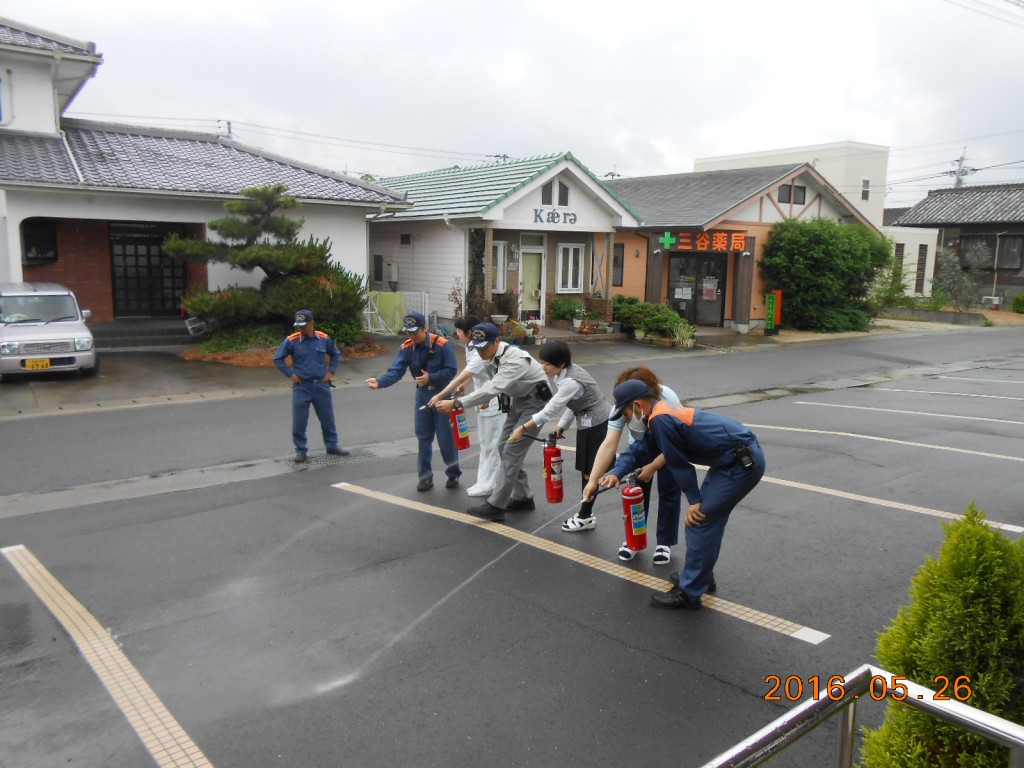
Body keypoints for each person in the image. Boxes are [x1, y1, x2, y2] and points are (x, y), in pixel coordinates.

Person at [597, 379, 766, 610]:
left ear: (637, 405)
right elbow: (641, 448)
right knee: (707, 522)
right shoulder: (658, 414)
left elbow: (679, 464)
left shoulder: (661, 419)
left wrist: (694, 502)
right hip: (730, 459)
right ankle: (699, 578)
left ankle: (689, 593)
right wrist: (616, 472)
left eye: (625, 412)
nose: (625, 418)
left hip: (740, 464)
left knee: (699, 522)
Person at [435, 322, 552, 522]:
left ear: (497, 341)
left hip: (535, 404)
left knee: (512, 451)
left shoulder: (513, 359)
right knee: (502, 447)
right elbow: (493, 384)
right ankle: (523, 497)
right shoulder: (489, 355)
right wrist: (487, 397)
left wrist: (456, 404)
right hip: (517, 399)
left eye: (484, 346)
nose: (481, 351)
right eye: (477, 347)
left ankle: (496, 505)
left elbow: (492, 387)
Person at [579, 366, 683, 566]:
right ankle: (635, 540)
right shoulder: (620, 406)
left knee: (669, 492)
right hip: (640, 448)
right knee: (636, 495)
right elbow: (609, 444)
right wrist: (593, 481)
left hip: (669, 449)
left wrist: (654, 466)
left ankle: (664, 543)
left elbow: (678, 443)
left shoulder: (667, 400)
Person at [507, 340, 610, 526]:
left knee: (589, 472)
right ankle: (585, 514)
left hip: (595, 421)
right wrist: (562, 425)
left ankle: (585, 517)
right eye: (542, 362)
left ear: (561, 364)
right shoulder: (564, 374)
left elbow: (550, 410)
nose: (542, 367)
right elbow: (574, 403)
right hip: (586, 420)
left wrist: (522, 428)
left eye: (547, 363)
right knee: (587, 470)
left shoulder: (571, 380)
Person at [365, 311, 461, 492]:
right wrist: (379, 382)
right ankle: (425, 478)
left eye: (415, 331)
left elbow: (451, 371)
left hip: (443, 396)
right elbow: (396, 371)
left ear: (425, 328)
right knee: (423, 438)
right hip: (423, 396)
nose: (412, 335)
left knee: (446, 438)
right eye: (409, 332)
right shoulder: (407, 347)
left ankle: (453, 473)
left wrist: (430, 378)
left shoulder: (442, 345)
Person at [426, 315, 502, 497]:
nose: (456, 334)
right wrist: (465, 385)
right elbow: (472, 373)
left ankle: (490, 484)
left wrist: (440, 395)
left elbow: (464, 374)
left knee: (492, 445)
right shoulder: (472, 348)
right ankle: (483, 481)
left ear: (469, 333)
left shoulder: (478, 351)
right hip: (482, 401)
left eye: (459, 331)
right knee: (485, 444)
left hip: (494, 403)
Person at [273, 309, 348, 463]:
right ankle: (301, 450)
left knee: (327, 418)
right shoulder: (292, 340)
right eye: (299, 326)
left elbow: (336, 354)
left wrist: (330, 372)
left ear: (312, 323)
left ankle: (332, 445)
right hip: (302, 386)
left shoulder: (323, 338)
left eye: (304, 325)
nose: (301, 329)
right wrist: (290, 374)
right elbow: (278, 358)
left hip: (321, 385)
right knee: (299, 421)